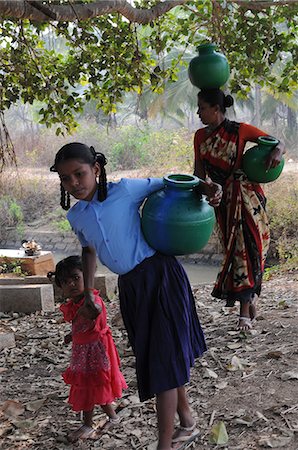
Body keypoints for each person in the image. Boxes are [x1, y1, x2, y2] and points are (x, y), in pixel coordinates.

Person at [50, 142, 222, 450]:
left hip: (160, 277)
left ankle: (164, 444)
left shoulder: (125, 191)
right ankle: (188, 420)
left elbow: (172, 182)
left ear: (96, 170)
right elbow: (89, 251)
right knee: (159, 356)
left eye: (79, 174)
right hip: (131, 287)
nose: (74, 183)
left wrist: (208, 188)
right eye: (66, 178)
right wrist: (88, 291)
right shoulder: (77, 217)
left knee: (163, 363)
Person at [194, 88, 285, 331]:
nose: (198, 112)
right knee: (234, 250)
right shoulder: (200, 137)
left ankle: (245, 306)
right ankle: (249, 298)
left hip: (247, 197)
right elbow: (198, 176)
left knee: (250, 247)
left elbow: (278, 142)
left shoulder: (241, 130)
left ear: (216, 109)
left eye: (202, 107)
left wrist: (277, 151)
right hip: (223, 201)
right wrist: (209, 191)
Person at [47, 255, 127, 442]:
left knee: (91, 386)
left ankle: (89, 424)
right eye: (66, 282)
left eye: (76, 278)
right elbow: (80, 326)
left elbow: (95, 312)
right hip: (82, 352)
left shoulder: (92, 302)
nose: (72, 284)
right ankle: (111, 418)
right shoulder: (76, 303)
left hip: (96, 352)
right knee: (91, 386)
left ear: (87, 277)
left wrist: (89, 298)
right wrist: (71, 335)